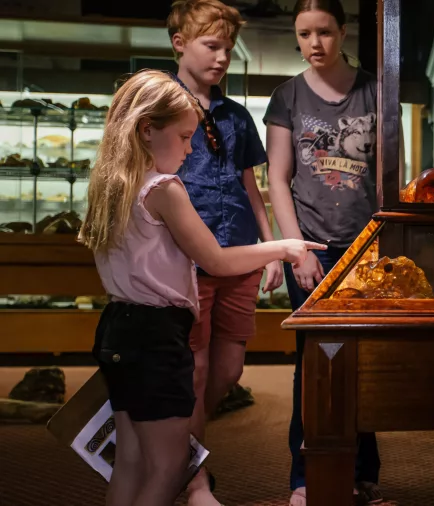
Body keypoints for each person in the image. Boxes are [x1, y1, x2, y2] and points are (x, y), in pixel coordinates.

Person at [78, 69, 325, 506]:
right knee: (171, 464)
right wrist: (282, 247)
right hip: (157, 334)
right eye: (184, 137)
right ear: (147, 130)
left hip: (118, 325)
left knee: (131, 459)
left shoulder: (112, 183)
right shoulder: (164, 189)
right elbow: (216, 261)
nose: (191, 149)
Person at [263, 1, 384, 504]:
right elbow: (277, 179)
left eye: (325, 32)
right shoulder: (287, 96)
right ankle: (305, 476)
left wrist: (382, 245)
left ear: (343, 32)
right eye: (304, 34)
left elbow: (390, 174)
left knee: (363, 361)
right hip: (310, 246)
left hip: (366, 248)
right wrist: (296, 251)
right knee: (314, 361)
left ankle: (362, 470)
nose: (314, 43)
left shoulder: (376, 90)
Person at [166, 2, 281, 503]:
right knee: (193, 369)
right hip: (185, 256)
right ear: (179, 43)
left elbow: (250, 185)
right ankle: (194, 479)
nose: (221, 58)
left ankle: (176, 448)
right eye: (211, 46)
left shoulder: (235, 115)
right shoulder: (161, 104)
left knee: (228, 370)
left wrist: (269, 248)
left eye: (228, 49)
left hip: (239, 251)